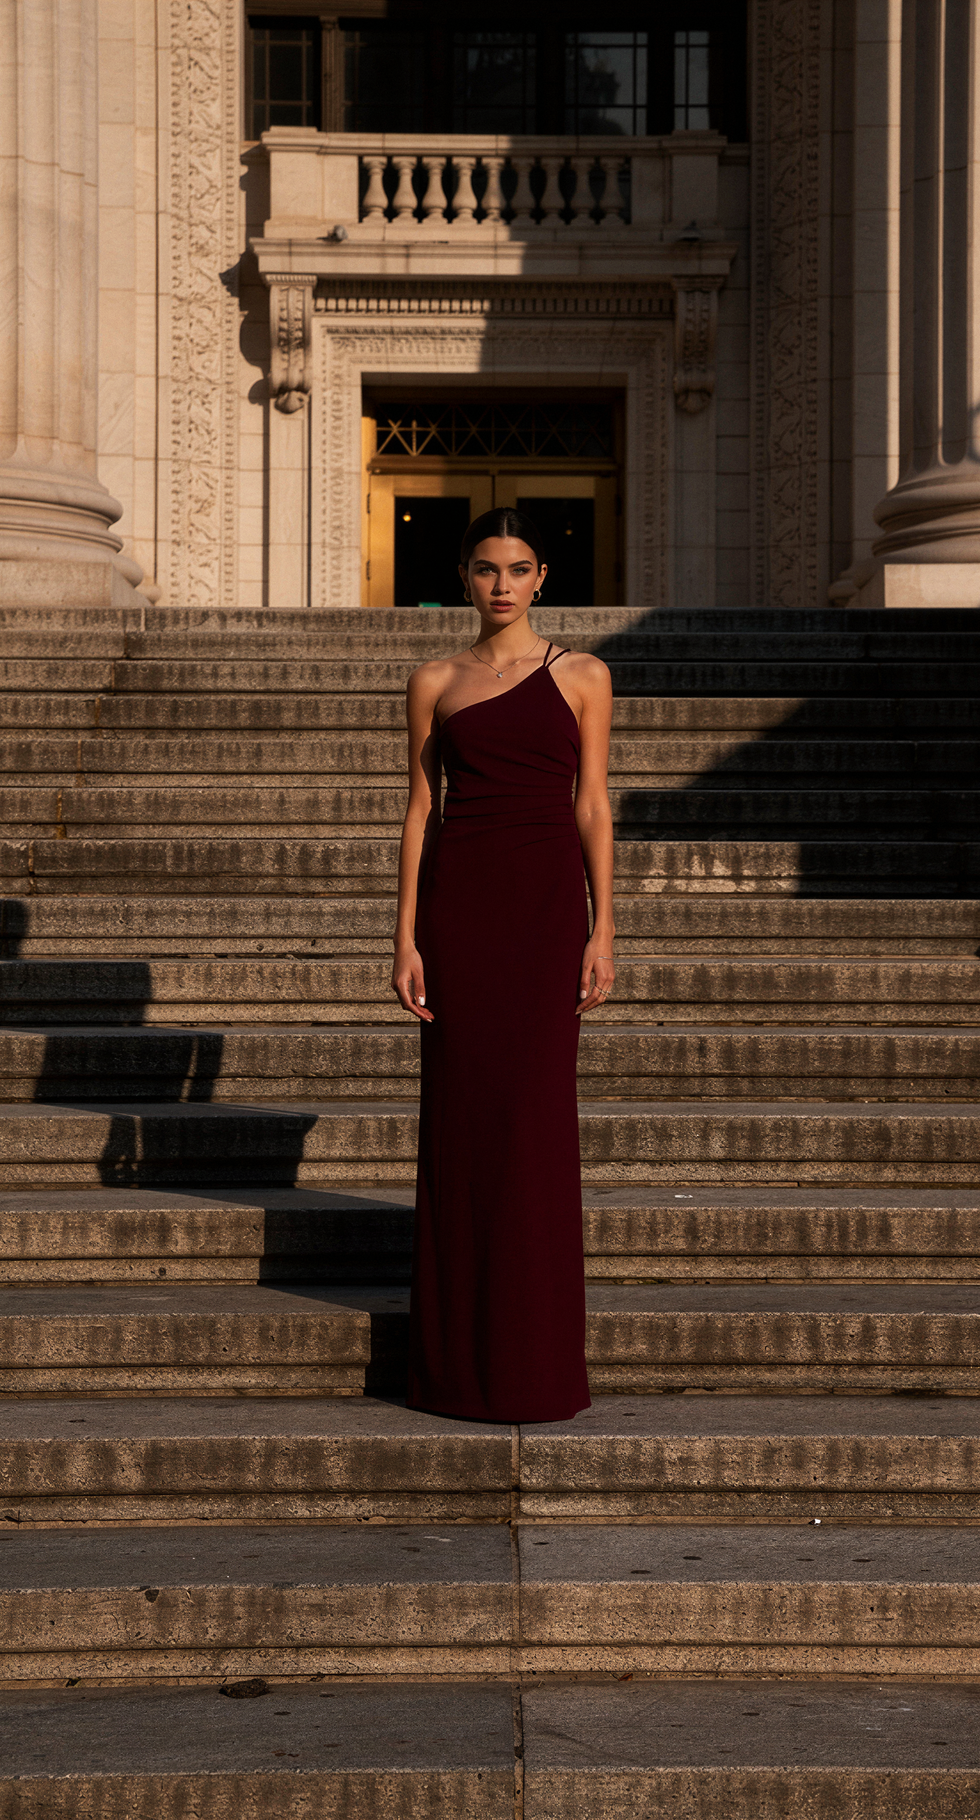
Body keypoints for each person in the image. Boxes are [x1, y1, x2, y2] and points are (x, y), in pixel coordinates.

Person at [391, 507, 615, 1422]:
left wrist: (605, 927)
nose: (502, 585)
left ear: (541, 579)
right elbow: (420, 810)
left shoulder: (584, 675)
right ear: (463, 576)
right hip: (462, 914)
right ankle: (455, 1367)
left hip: (547, 912)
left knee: (533, 1125)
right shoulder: (434, 680)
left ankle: (534, 1363)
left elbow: (592, 803)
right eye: (486, 569)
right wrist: (405, 937)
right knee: (463, 1123)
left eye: (518, 569)